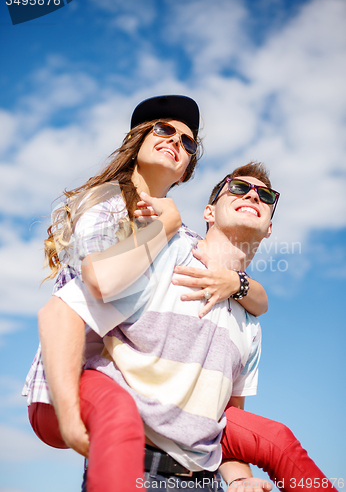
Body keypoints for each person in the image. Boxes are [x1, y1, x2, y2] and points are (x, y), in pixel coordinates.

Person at [22, 96, 268, 492]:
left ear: (187, 169)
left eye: (188, 142)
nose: (176, 140)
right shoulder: (106, 205)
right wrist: (166, 223)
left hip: (151, 417)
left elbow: (241, 286)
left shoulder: (180, 234)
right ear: (138, 139)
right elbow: (100, 283)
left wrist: (244, 287)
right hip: (74, 381)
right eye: (164, 128)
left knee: (276, 441)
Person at [48, 163, 336, 492]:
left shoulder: (251, 325)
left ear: (270, 227)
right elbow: (66, 306)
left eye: (266, 195)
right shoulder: (166, 253)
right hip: (134, 470)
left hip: (204, 483)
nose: (253, 195)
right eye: (239, 188)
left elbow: (223, 425)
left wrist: (240, 480)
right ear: (209, 212)